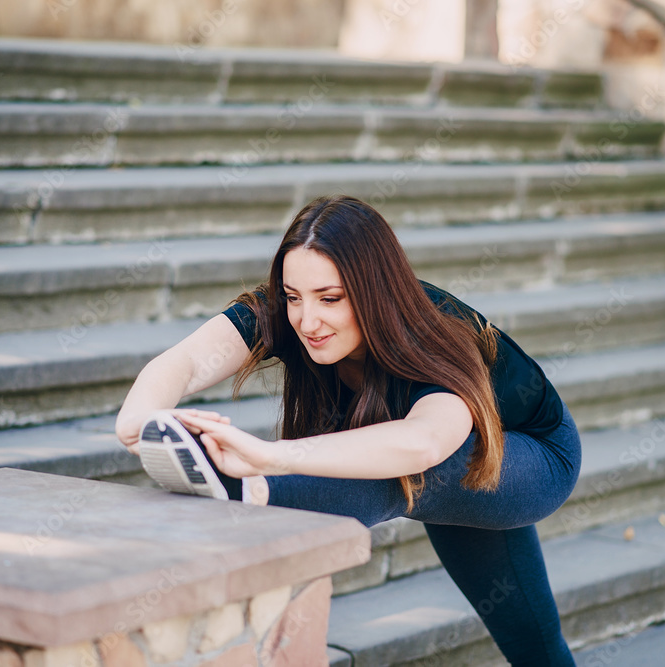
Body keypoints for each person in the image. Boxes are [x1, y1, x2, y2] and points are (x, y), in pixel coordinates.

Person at [116, 195, 581, 666]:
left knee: (409, 470)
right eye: (293, 297)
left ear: (374, 291)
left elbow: (425, 442)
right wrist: (139, 416)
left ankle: (247, 490)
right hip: (439, 467)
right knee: (535, 647)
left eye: (330, 299)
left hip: (536, 458)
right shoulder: (288, 312)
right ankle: (245, 489)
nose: (307, 321)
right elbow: (188, 359)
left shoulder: (433, 335)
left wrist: (269, 459)